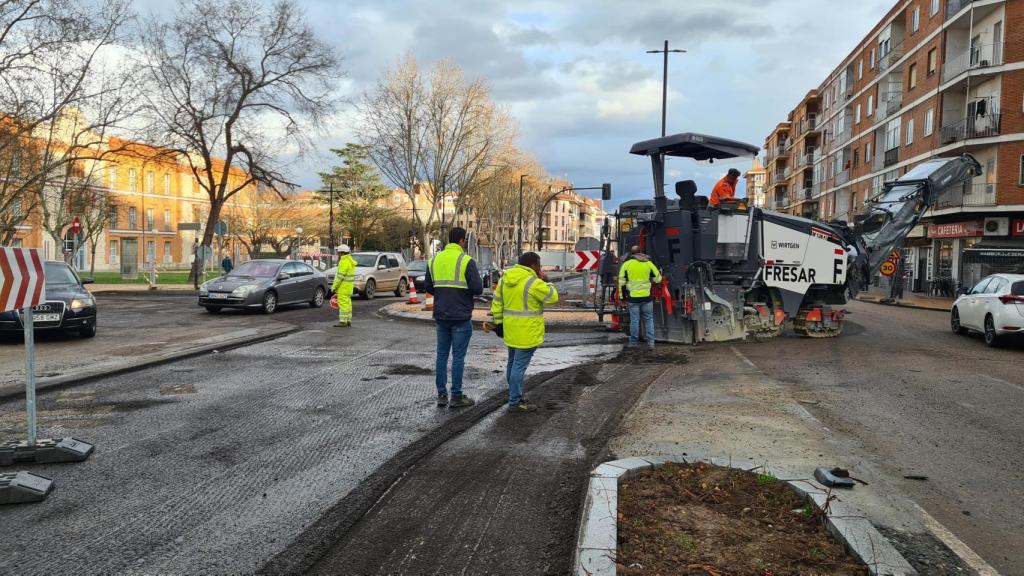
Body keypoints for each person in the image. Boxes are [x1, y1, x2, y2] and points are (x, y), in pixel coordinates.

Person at [491, 252, 559, 413]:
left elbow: (497, 303)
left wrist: (499, 324)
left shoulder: (505, 279)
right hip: (528, 332)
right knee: (518, 367)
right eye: (539, 266)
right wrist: (547, 280)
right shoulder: (533, 282)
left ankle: (515, 396)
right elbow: (553, 297)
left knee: (513, 365)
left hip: (511, 330)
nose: (540, 269)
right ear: (533, 265)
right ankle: (515, 401)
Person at [425, 227, 483, 408]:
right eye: (465, 240)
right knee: (458, 357)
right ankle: (456, 396)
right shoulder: (466, 261)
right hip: (461, 315)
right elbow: (478, 288)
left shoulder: (434, 260)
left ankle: (442, 395)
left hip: (441, 314)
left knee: (442, 354)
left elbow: (428, 287)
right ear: (461, 241)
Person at [617, 245, 662, 349]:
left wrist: (622, 298)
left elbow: (621, 284)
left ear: (631, 254)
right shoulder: (648, 263)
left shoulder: (626, 264)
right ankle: (651, 343)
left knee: (635, 320)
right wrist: (651, 280)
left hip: (633, 298)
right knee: (649, 319)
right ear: (640, 253)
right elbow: (658, 279)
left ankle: (633, 343)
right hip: (647, 297)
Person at [331, 244, 356, 327]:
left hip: (343, 288)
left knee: (343, 304)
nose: (338, 254)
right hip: (348, 287)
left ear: (341, 253)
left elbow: (339, 277)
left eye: (338, 253)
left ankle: (343, 321)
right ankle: (348, 320)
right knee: (348, 303)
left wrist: (334, 287)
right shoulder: (350, 261)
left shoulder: (344, 261)